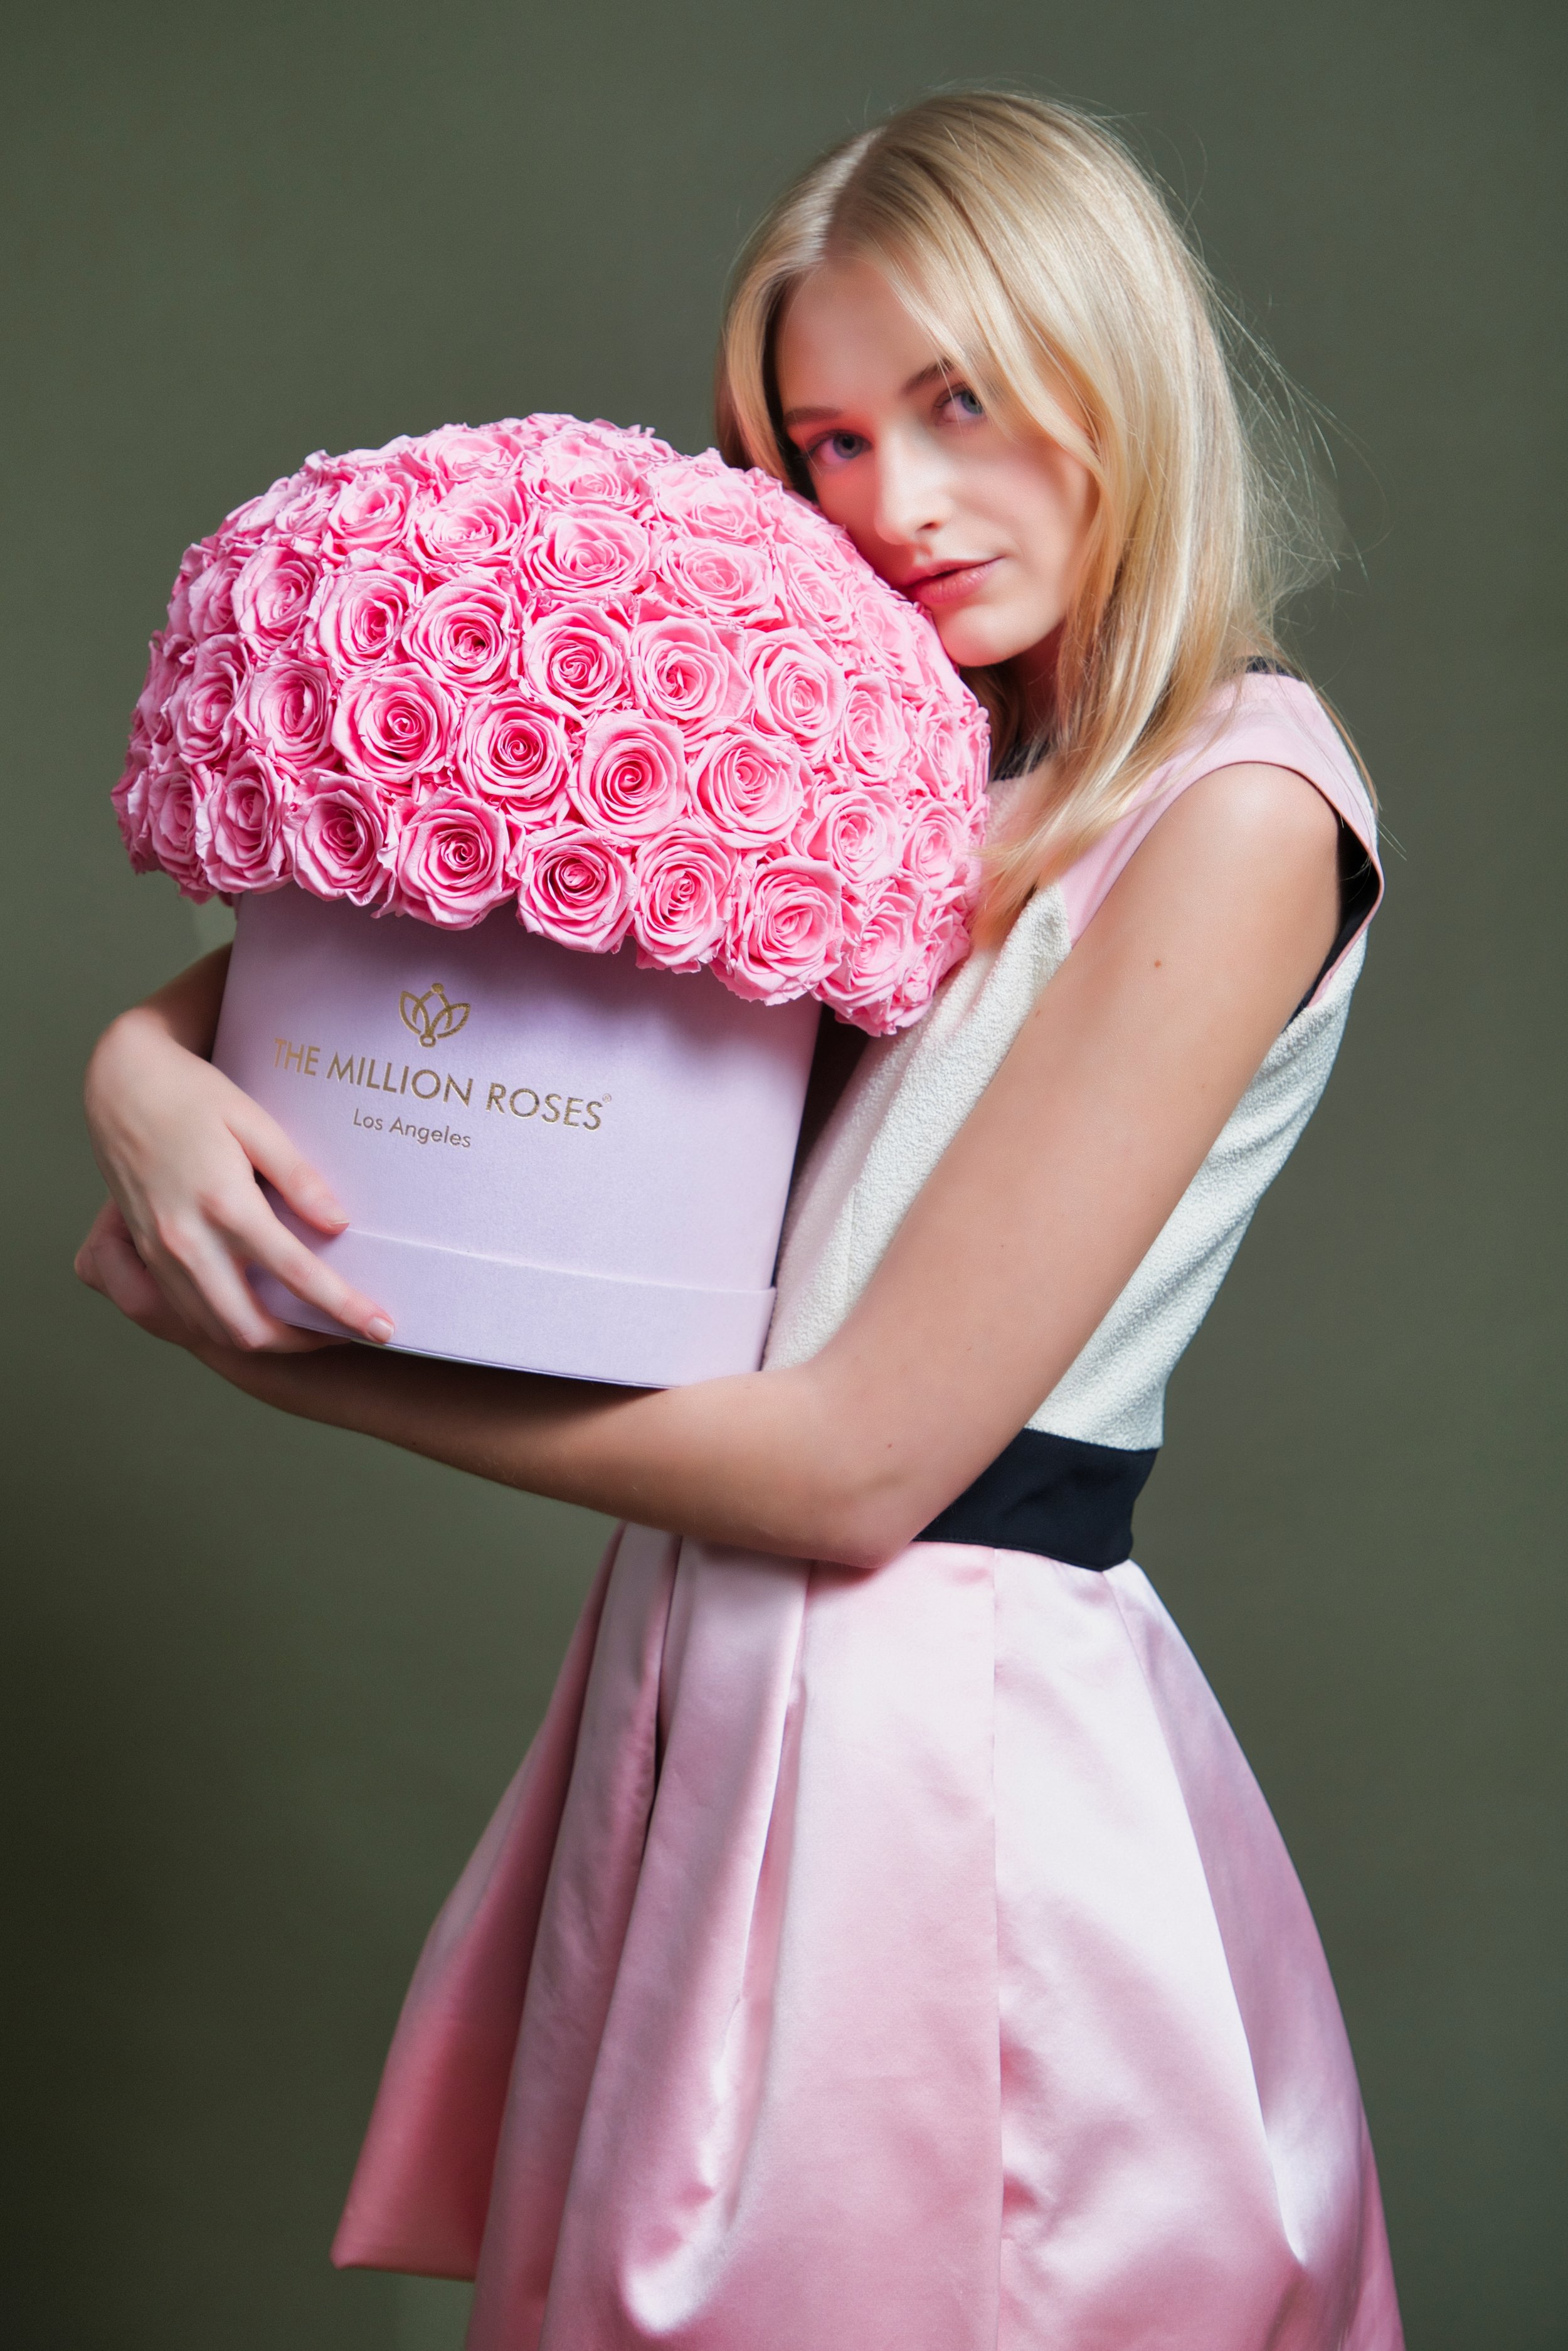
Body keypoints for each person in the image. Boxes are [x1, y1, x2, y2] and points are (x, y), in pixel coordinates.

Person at [76, 89, 1403, 2351]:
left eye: (958, 404)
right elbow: (308, 980)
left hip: (939, 1738)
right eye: (823, 446)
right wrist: (130, 1071)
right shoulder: (875, 776)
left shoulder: (1240, 804)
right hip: (711, 1684)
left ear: (1116, 370)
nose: (890, 505)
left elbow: (861, 1461)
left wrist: (303, 1362)